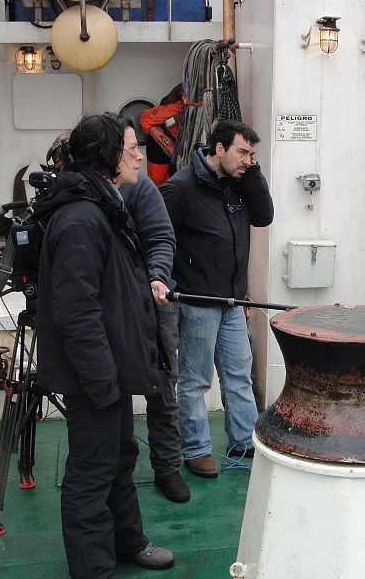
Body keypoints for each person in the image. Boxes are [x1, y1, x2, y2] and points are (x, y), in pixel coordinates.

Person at [34, 113, 174, 577]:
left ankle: (126, 540)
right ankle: (93, 569)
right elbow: (77, 311)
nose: (140, 155)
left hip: (109, 369)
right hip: (93, 374)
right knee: (91, 473)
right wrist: (100, 381)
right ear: (108, 155)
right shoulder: (80, 218)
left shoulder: (102, 205)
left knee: (119, 457)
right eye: (132, 147)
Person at [48, 133, 191, 503]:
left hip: (150, 305)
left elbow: (161, 235)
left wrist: (156, 277)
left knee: (162, 386)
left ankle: (168, 467)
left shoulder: (137, 188)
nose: (139, 158)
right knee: (109, 413)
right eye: (132, 151)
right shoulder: (77, 208)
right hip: (109, 312)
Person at [160, 119, 274, 478]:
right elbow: (160, 236)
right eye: (242, 152)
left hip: (232, 301)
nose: (248, 160)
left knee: (239, 375)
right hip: (196, 301)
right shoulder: (181, 188)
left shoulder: (241, 183)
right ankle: (195, 449)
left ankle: (244, 441)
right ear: (218, 149)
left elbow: (265, 216)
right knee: (196, 380)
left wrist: (251, 174)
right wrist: (165, 280)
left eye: (253, 154)